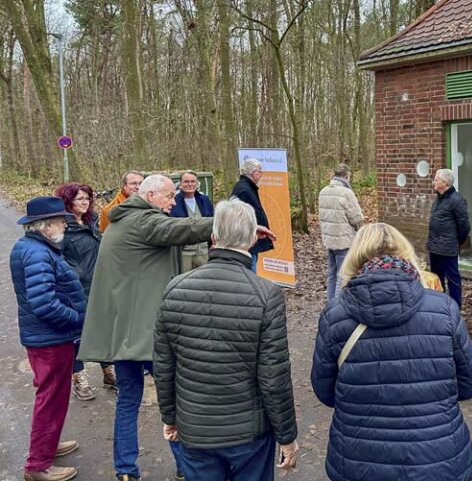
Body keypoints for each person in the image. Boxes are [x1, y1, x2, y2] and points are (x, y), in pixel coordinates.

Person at [311, 223, 472, 481]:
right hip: (436, 457)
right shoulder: (444, 310)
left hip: (360, 458)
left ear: (354, 258)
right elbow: (471, 383)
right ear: (406, 254)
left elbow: (325, 391)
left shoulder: (335, 316)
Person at [78, 174, 216, 481]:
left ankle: (126, 470)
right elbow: (184, 228)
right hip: (147, 336)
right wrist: (229, 222)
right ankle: (187, 468)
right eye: (169, 197)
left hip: (125, 336)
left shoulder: (122, 220)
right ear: (151, 195)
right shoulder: (143, 221)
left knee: (128, 401)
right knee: (176, 400)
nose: (173, 203)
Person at [154, 198, 299, 481]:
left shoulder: (176, 288)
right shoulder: (265, 294)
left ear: (213, 237)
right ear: (250, 240)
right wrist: (287, 435)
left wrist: (169, 416)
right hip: (249, 435)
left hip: (194, 428)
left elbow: (164, 365)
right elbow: (274, 377)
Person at [11, 197, 86, 481]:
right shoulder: (38, 253)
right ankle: (38, 465)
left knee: (54, 396)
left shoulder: (36, 247)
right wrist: (77, 318)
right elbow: (44, 304)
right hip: (49, 341)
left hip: (49, 338)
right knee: (50, 398)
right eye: (59, 221)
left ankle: (47, 446)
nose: (64, 225)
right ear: (45, 225)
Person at [54, 182, 116, 401]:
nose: (85, 202)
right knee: (77, 336)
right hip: (76, 290)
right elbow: (57, 260)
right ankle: (79, 378)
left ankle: (108, 372)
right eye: (79, 198)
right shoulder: (62, 227)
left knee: (104, 330)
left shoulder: (92, 221)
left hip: (99, 285)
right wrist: (75, 275)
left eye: (87, 198)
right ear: (67, 201)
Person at [318, 163, 364, 299]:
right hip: (343, 241)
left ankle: (330, 303)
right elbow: (356, 218)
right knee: (343, 276)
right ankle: (337, 306)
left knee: (332, 275)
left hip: (329, 240)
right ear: (347, 176)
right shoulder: (346, 193)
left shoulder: (323, 191)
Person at [427, 168, 470, 308]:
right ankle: (439, 305)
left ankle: (456, 307)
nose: (434, 181)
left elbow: (464, 226)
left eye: (437, 179)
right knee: (436, 277)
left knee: (453, 279)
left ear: (445, 183)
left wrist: (456, 242)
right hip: (434, 247)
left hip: (448, 248)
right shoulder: (438, 198)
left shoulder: (457, 200)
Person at [231, 159, 274, 271]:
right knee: (250, 274)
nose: (261, 175)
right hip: (247, 243)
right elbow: (238, 217)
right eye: (260, 172)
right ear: (255, 173)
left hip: (251, 240)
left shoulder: (247, 187)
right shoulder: (244, 190)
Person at [169, 171, 214, 272]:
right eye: (186, 181)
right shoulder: (174, 201)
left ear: (197, 183)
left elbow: (212, 221)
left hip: (203, 252)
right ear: (180, 184)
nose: (190, 184)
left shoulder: (204, 200)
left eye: (193, 181)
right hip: (184, 254)